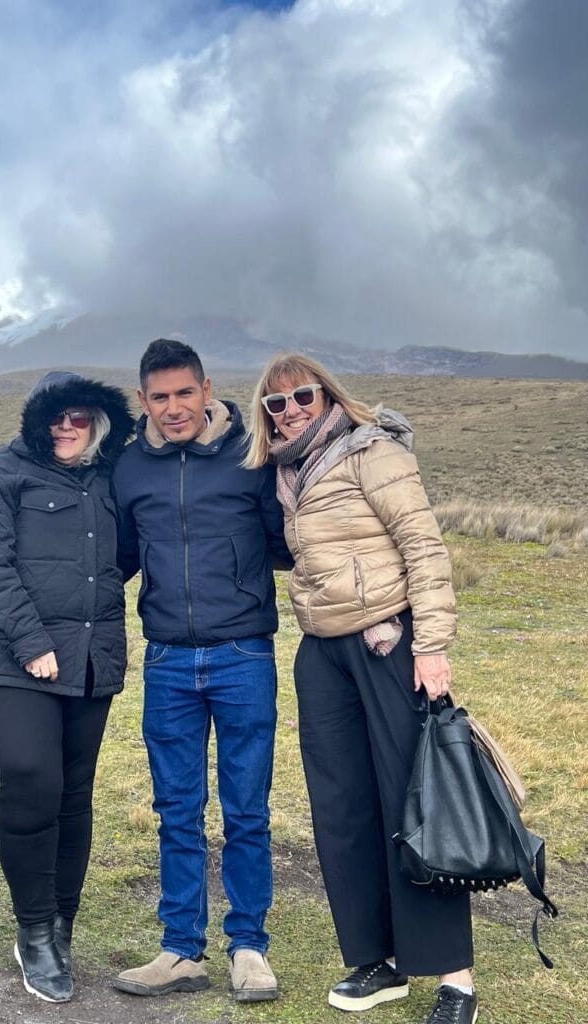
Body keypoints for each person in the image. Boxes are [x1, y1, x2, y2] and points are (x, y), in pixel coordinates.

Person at [245, 353, 478, 1024]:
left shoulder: (371, 451)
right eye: (276, 404)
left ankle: (455, 978)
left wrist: (430, 644)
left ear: (328, 395)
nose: (291, 411)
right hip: (323, 652)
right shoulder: (284, 471)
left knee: (414, 802)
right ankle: (378, 959)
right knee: (342, 807)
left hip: (386, 642)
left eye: (303, 396)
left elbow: (423, 546)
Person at [111, 339, 292, 1002]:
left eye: (185, 393)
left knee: (246, 809)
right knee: (176, 811)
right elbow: (120, 558)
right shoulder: (130, 466)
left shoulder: (251, 456)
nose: (174, 408)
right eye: (159, 397)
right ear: (143, 400)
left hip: (243, 655)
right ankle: (181, 950)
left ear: (207, 390)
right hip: (166, 660)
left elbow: (286, 544)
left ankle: (249, 948)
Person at [0, 371, 133, 1004]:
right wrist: (31, 642)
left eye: (79, 417)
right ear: (36, 421)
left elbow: (124, 556)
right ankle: (33, 930)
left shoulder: (111, 478)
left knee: (73, 794)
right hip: (13, 659)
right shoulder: (1, 474)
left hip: (90, 660)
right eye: (55, 417)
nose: (66, 427)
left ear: (98, 423)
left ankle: (61, 923)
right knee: (33, 779)